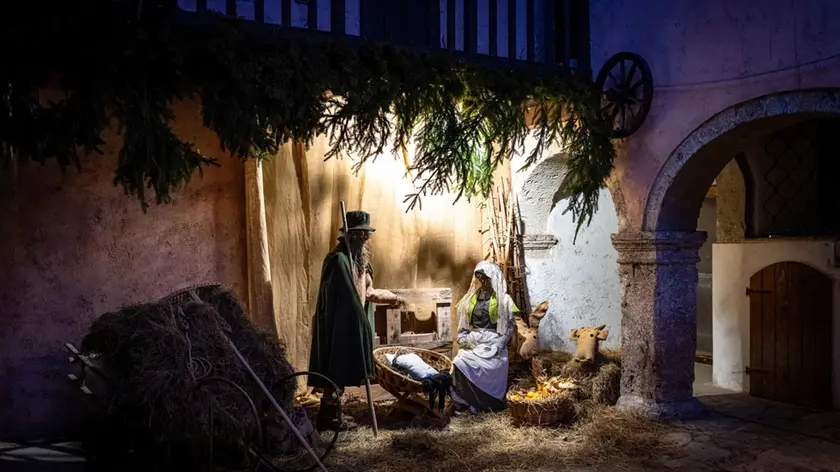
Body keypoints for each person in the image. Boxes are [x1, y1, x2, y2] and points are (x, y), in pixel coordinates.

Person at [307, 210, 406, 430]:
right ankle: (329, 417)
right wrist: (360, 321)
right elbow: (343, 295)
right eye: (359, 234)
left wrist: (394, 299)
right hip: (337, 324)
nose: (363, 238)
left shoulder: (361, 262)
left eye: (366, 234)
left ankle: (332, 414)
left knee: (343, 368)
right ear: (349, 234)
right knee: (335, 366)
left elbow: (368, 293)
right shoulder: (338, 260)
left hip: (353, 323)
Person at [450, 261, 519, 414]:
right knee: (459, 362)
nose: (483, 281)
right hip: (473, 342)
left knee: (492, 366)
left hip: (493, 343)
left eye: (486, 278)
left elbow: (509, 326)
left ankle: (487, 404)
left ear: (494, 279)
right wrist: (464, 339)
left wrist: (499, 344)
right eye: (480, 277)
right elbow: (463, 327)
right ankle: (465, 403)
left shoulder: (503, 301)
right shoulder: (469, 300)